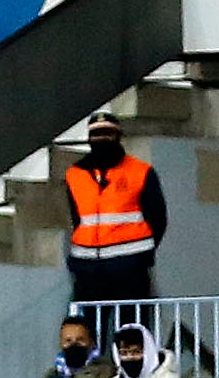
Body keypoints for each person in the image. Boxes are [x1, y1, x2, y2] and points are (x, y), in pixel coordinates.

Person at [63, 113, 164, 304]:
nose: (102, 139)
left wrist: (140, 253)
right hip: (87, 267)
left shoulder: (141, 172)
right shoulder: (75, 174)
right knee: (89, 328)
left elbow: (158, 219)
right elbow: (77, 218)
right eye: (97, 134)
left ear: (118, 136)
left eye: (108, 134)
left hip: (130, 266)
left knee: (131, 328)